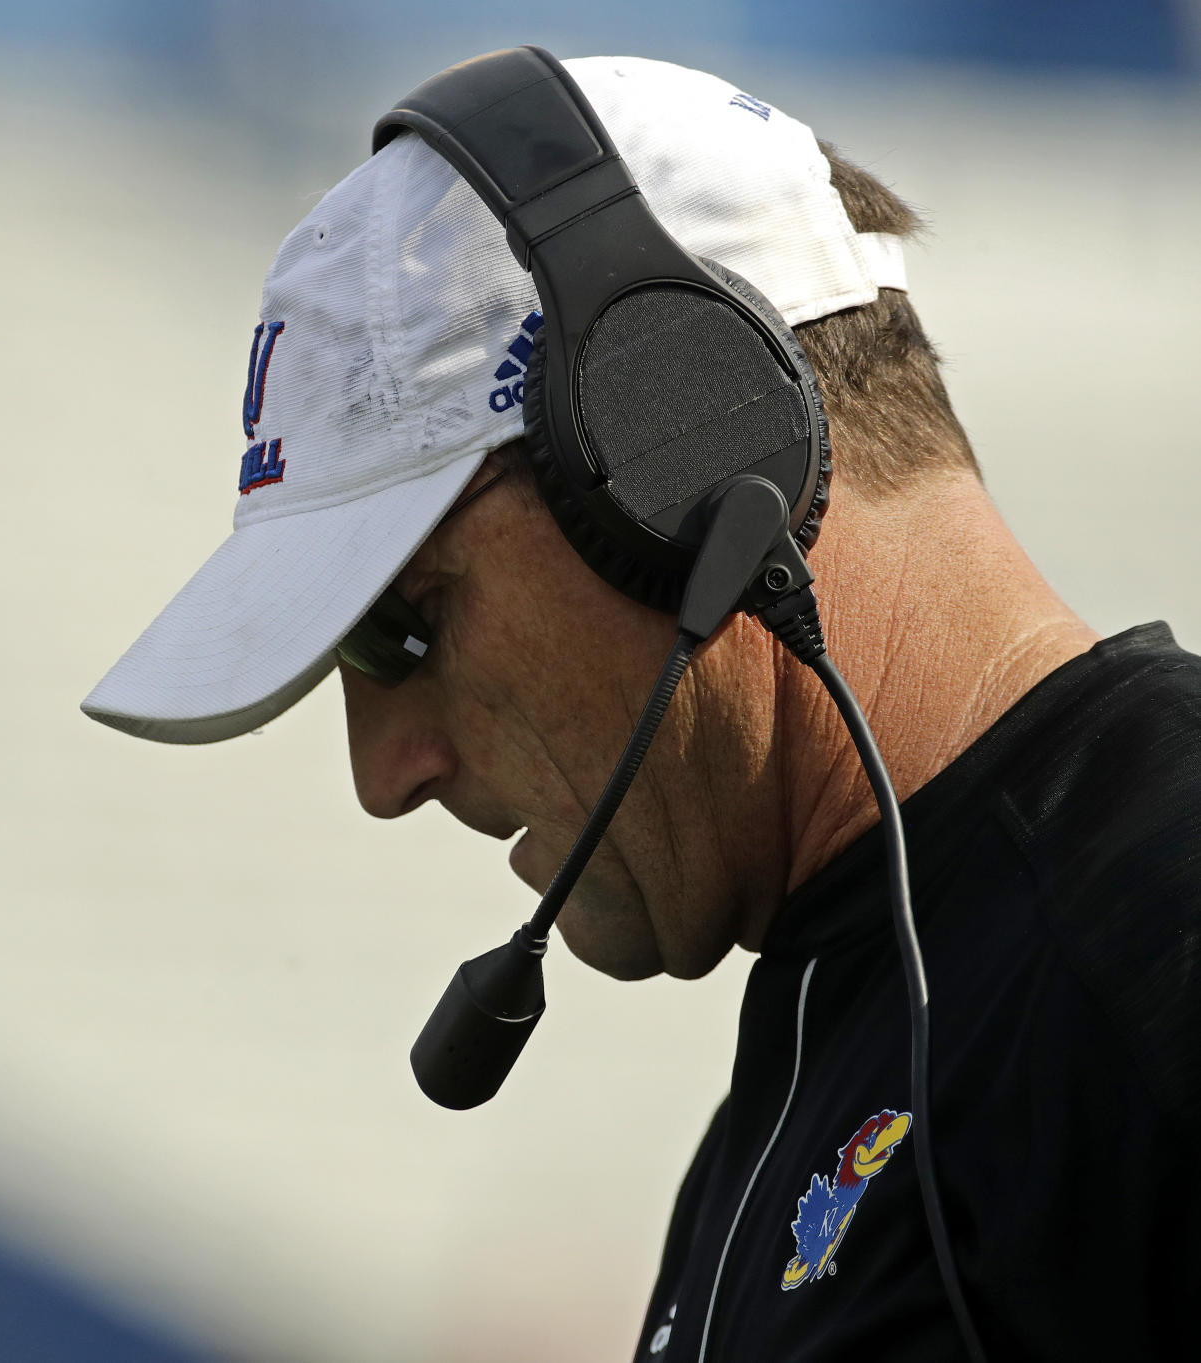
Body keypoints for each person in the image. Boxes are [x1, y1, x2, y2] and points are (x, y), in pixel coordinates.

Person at [83, 53, 1199, 1361]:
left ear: (679, 448)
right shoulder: (835, 1040)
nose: (383, 772)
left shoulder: (1158, 920)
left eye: (406, 625)